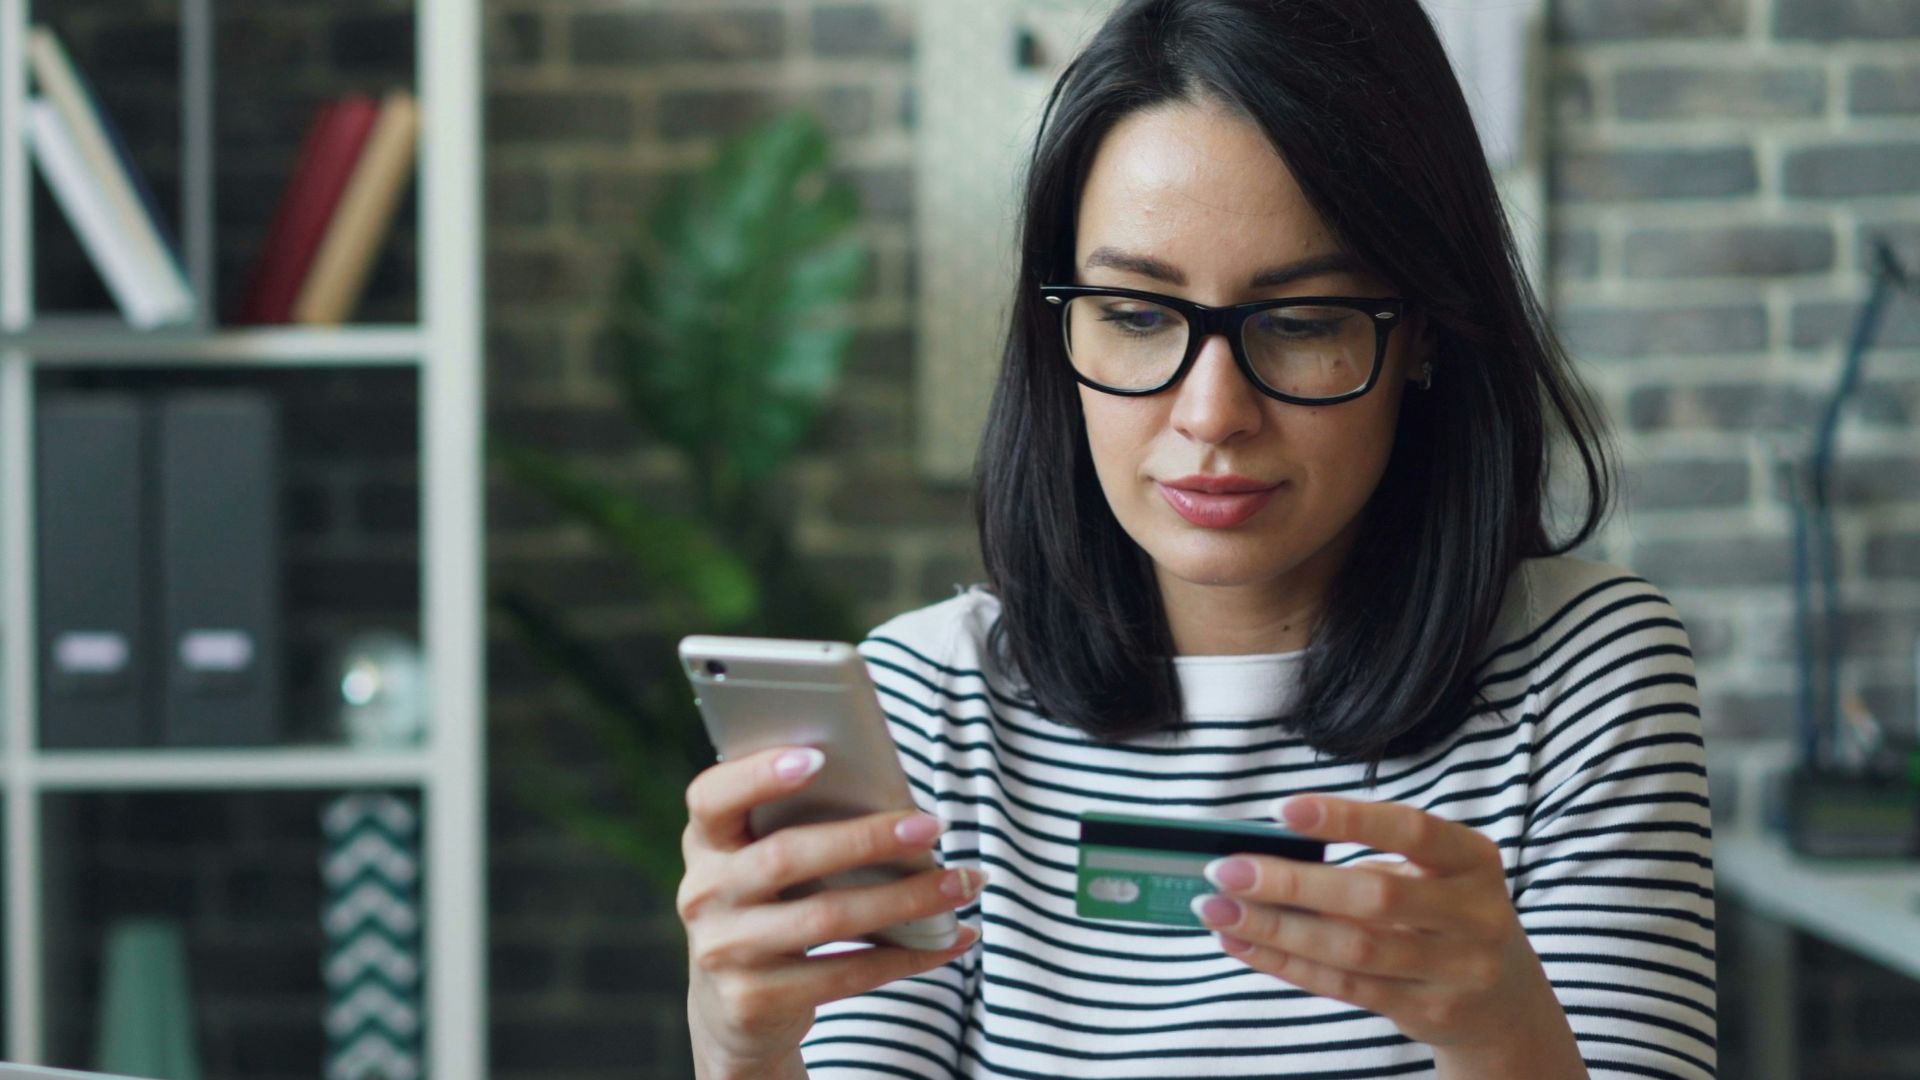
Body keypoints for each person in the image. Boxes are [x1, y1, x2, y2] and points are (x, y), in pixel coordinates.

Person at [676, 0, 1715, 1076]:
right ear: (1057, 327)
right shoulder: (928, 703)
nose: (1212, 414)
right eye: (1134, 314)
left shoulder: (1587, 671)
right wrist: (738, 1042)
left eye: (1304, 321)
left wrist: (1503, 1036)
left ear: (1422, 336)